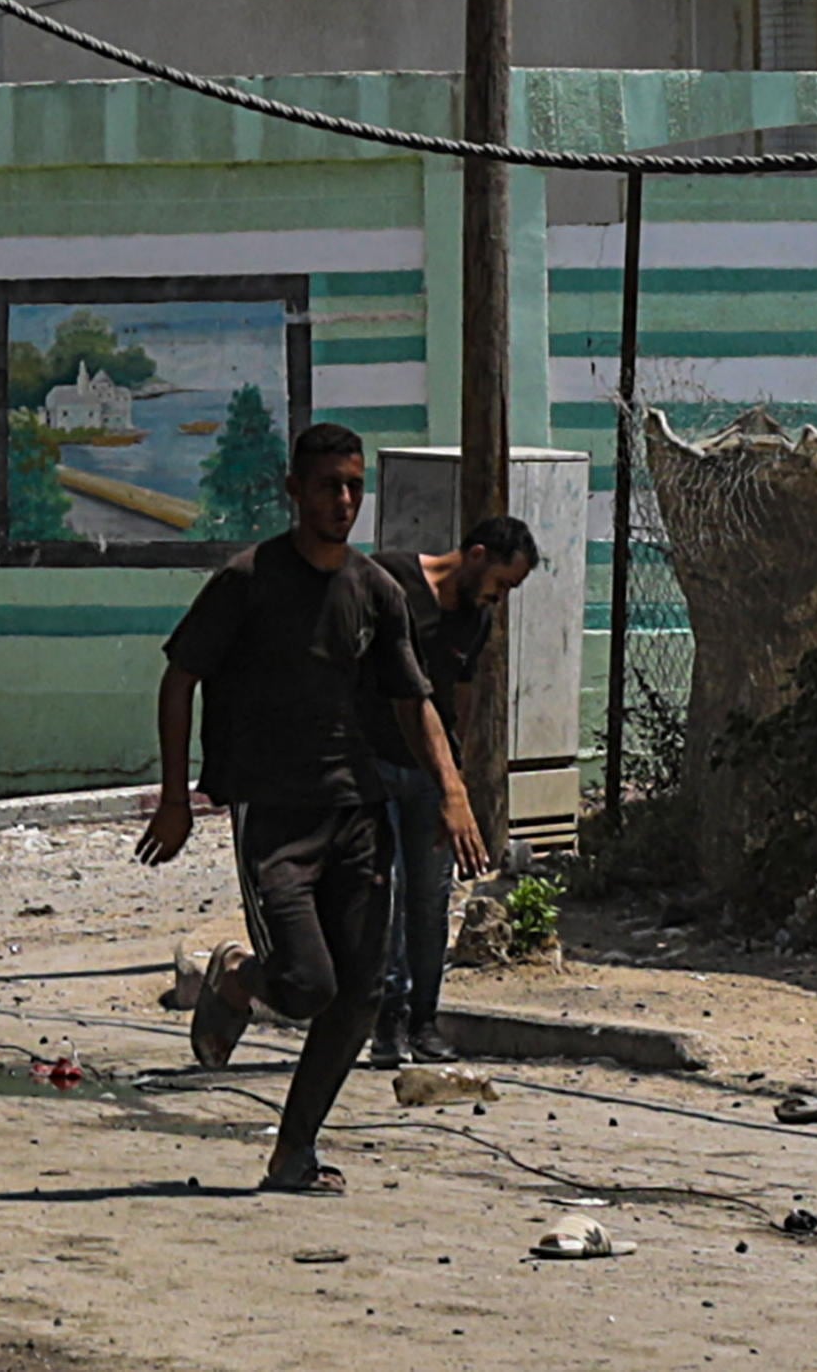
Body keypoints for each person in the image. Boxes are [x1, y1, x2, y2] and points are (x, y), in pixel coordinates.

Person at [138, 421, 491, 1197]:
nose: (343, 500)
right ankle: (238, 978)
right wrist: (176, 798)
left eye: (354, 486)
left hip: (356, 811)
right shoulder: (247, 580)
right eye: (329, 485)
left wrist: (453, 791)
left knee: (360, 995)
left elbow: (415, 701)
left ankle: (292, 1151)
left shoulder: (374, 591)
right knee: (305, 985)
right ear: (293, 491)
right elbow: (178, 678)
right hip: (275, 816)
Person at [373, 509, 541, 1066]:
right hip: (374, 763)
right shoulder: (389, 581)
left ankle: (424, 1019)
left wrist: (457, 775)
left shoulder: (475, 618)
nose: (500, 598)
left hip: (433, 775)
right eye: (501, 583)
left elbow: (461, 698)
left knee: (431, 894)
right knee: (387, 896)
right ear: (475, 557)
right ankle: (386, 1022)